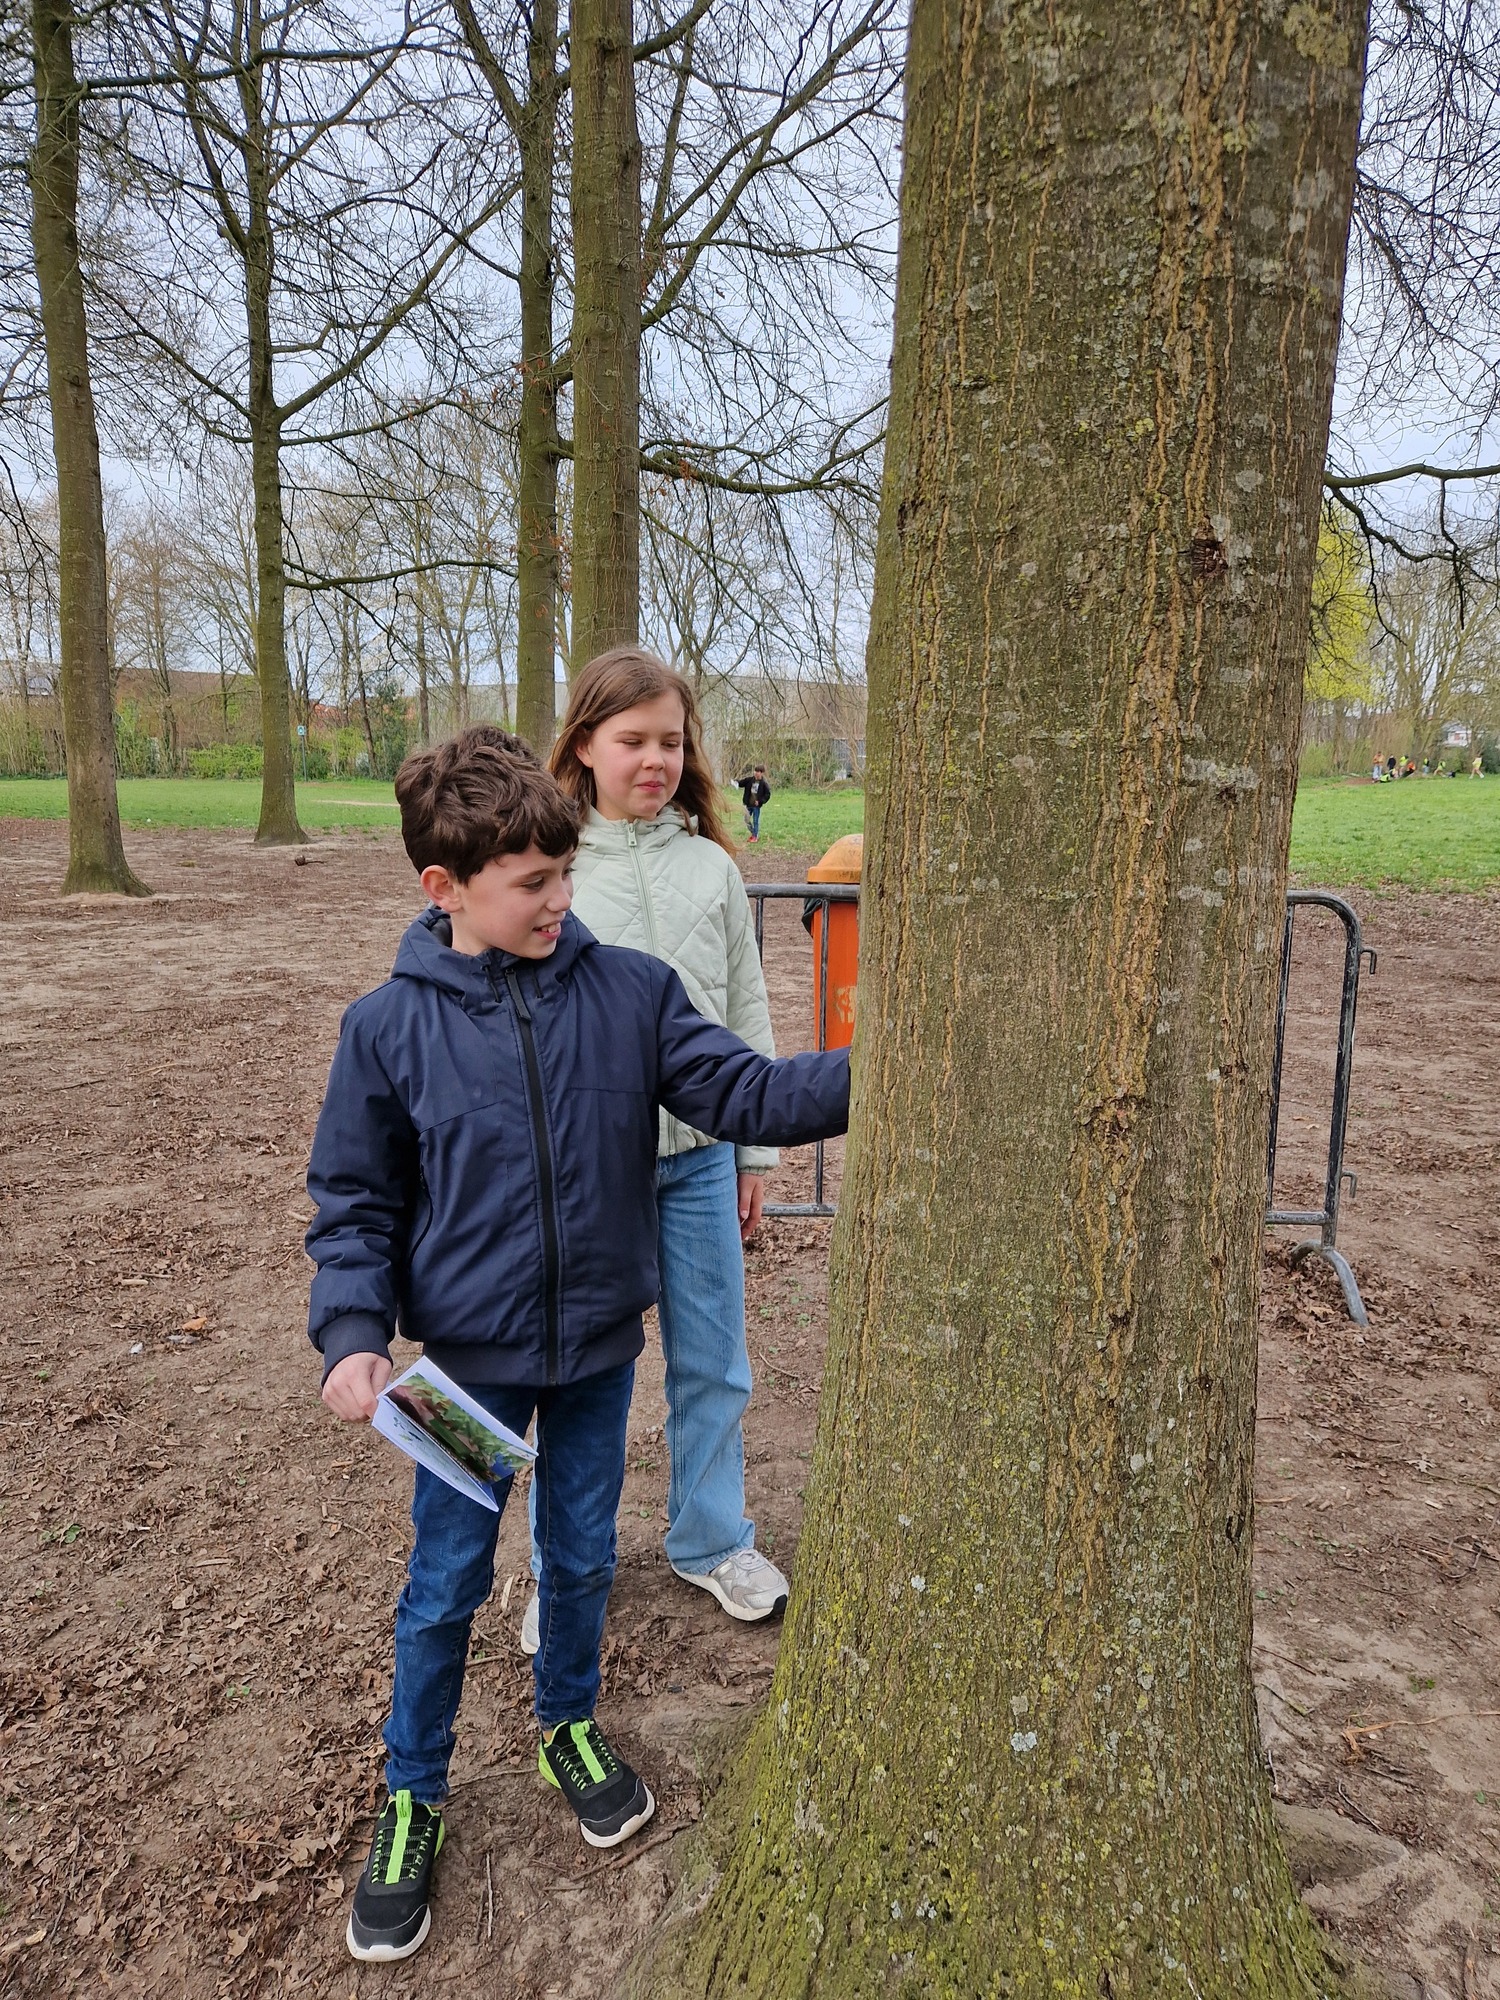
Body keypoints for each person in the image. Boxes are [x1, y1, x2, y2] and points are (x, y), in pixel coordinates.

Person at [306, 726, 849, 1964]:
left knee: (583, 1552)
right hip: (462, 1372)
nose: (562, 898)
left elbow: (748, 1093)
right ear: (445, 887)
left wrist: (891, 1068)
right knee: (446, 1580)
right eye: (534, 882)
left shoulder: (631, 993)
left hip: (600, 1348)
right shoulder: (385, 1029)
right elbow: (355, 1203)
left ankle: (567, 1723)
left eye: (565, 872)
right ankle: (412, 1789)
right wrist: (350, 1333)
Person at [507, 651, 784, 1660]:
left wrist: (755, 1153)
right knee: (574, 1376)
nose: (655, 759)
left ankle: (712, 1538)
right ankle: (562, 1566)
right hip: (590, 1170)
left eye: (671, 740)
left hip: (701, 1158)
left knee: (714, 1359)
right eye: (633, 740)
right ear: (585, 744)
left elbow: (745, 1008)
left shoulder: (713, 867)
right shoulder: (549, 867)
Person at [736, 763, 772, 840]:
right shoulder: (749, 780)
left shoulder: (763, 784)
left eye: (758, 771)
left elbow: (767, 795)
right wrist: (735, 782)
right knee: (746, 820)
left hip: (756, 806)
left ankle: (755, 837)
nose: (756, 773)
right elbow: (741, 783)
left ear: (761, 773)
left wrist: (760, 801)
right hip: (748, 804)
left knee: (755, 821)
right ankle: (753, 833)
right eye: (755, 771)